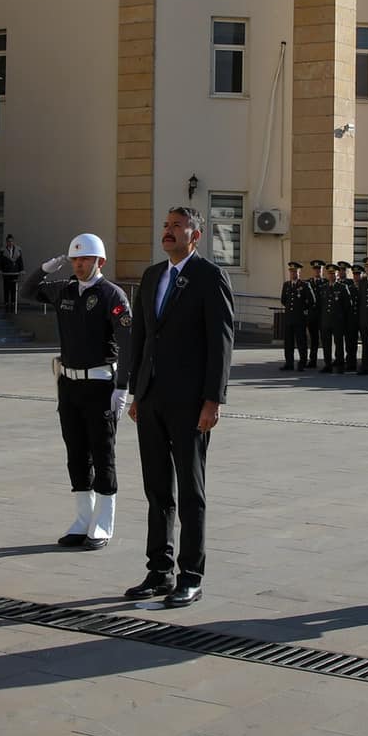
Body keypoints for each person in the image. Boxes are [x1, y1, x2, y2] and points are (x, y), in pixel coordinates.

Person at [122, 206, 235, 609]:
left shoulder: (208, 277)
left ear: (195, 235)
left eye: (177, 226)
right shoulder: (153, 276)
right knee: (157, 489)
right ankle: (158, 569)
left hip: (190, 403)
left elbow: (221, 342)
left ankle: (190, 575)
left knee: (190, 490)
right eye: (166, 226)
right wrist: (136, 391)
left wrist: (213, 400)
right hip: (152, 399)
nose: (168, 232)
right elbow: (141, 338)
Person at [22, 233, 135, 549]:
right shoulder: (66, 290)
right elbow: (28, 291)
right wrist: (44, 268)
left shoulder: (112, 295)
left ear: (100, 261)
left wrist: (123, 387)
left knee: (102, 453)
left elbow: (128, 343)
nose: (78, 264)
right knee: (76, 453)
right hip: (69, 384)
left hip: (101, 385)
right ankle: (82, 519)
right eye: (74, 259)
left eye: (84, 259)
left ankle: (103, 523)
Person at [279, 260, 313, 372]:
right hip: (289, 318)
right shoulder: (286, 285)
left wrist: (303, 309)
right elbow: (283, 300)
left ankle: (302, 362)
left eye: (295, 272)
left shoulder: (304, 285)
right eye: (292, 272)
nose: (293, 274)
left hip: (299, 318)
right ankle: (289, 363)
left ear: (299, 273)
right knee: (288, 342)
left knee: (301, 342)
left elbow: (312, 300)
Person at [0, 234, 25, 314]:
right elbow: (0, 262)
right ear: (6, 242)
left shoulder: (18, 251)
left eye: (11, 241)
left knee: (13, 289)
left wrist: (21, 271)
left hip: (14, 272)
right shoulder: (3, 251)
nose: (10, 243)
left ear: (13, 242)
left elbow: (20, 261)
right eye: (8, 241)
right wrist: (0, 271)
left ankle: (13, 304)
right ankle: (6, 304)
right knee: (6, 289)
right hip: (6, 273)